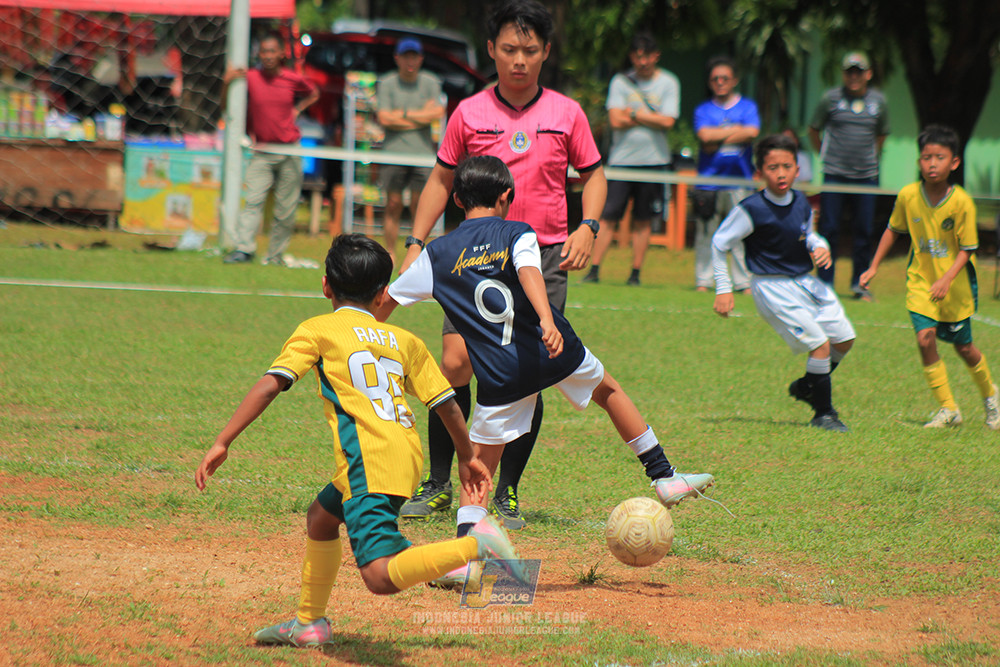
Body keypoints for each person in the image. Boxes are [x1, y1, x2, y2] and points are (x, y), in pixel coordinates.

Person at [382, 156, 714, 586]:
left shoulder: (437, 254)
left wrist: (358, 333)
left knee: (478, 468)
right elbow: (529, 270)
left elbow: (386, 303)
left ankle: (464, 558)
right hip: (548, 351)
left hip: (500, 376)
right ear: (507, 197)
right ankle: (663, 475)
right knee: (608, 392)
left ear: (458, 200)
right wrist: (546, 319)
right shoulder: (517, 231)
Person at [195, 234, 527, 648]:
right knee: (321, 517)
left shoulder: (317, 330)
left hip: (367, 462)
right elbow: (446, 404)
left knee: (380, 577)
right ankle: (309, 624)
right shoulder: (406, 341)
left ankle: (477, 547)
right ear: (383, 292)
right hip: (402, 456)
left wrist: (223, 440)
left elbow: (270, 385)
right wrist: (466, 457)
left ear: (325, 286)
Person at [397, 0, 608, 530]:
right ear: (491, 50)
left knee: (527, 377)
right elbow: (442, 180)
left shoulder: (567, 113)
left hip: (542, 260)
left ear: (546, 53)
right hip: (469, 261)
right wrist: (416, 240)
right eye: (509, 49)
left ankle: (506, 491)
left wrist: (589, 226)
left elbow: (595, 175)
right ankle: (441, 483)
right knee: (454, 364)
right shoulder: (468, 112)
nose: (519, 60)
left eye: (530, 50)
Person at [713, 134, 856, 432]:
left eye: (787, 166)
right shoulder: (752, 208)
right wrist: (724, 288)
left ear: (797, 169)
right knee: (820, 345)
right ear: (760, 172)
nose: (781, 173)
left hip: (806, 282)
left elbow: (808, 233)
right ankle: (823, 413)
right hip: (772, 287)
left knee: (844, 339)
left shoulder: (802, 202)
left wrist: (820, 245)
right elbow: (719, 242)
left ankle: (808, 385)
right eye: (773, 167)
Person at [860, 125, 999, 429]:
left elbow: (968, 248)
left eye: (939, 157)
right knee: (925, 340)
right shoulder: (909, 195)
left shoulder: (961, 201)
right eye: (925, 157)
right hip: (921, 282)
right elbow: (893, 230)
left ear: (954, 163)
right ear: (918, 161)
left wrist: (947, 278)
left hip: (955, 286)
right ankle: (949, 409)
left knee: (964, 348)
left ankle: (991, 395)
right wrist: (873, 266)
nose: (932, 163)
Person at [582, 32, 678, 286]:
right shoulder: (621, 81)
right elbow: (615, 120)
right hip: (621, 162)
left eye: (646, 56)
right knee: (608, 216)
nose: (642, 62)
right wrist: (650, 117)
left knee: (643, 219)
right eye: (637, 57)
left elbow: (668, 121)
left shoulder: (669, 82)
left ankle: (635, 273)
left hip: (655, 161)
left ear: (656, 56)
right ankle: (594, 269)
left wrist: (633, 113)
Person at [222, 34, 319, 266]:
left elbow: (314, 93)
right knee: (253, 201)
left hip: (289, 151)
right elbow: (226, 106)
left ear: (281, 54)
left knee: (285, 208)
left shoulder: (292, 78)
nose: (267, 56)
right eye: (263, 52)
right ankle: (244, 249)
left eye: (272, 51)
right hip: (261, 151)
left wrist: (297, 110)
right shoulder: (251, 77)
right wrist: (226, 82)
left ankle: (275, 255)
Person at [808, 51, 890, 300]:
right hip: (834, 174)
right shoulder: (830, 98)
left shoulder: (878, 101)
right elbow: (814, 130)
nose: (854, 76)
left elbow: (881, 136)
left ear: (868, 74)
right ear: (844, 74)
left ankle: (860, 284)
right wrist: (825, 156)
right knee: (829, 229)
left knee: (864, 230)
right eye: (849, 71)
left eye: (859, 71)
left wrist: (869, 160)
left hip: (866, 177)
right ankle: (825, 285)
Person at [691, 56, 758, 294]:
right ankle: (704, 280)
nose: (720, 82)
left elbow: (752, 132)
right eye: (715, 79)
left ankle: (742, 282)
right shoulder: (703, 109)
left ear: (734, 80)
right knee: (706, 233)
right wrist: (735, 130)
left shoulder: (748, 107)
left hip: (740, 181)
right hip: (708, 182)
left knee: (740, 233)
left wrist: (718, 135)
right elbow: (704, 139)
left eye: (725, 78)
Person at [375, 38, 445, 261]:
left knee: (419, 206)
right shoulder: (386, 82)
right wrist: (418, 116)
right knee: (393, 204)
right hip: (392, 153)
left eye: (414, 56)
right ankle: (390, 252)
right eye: (406, 56)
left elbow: (437, 113)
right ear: (397, 58)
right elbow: (384, 118)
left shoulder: (431, 81)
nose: (410, 61)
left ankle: (416, 252)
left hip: (422, 155)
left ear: (421, 58)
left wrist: (402, 115)